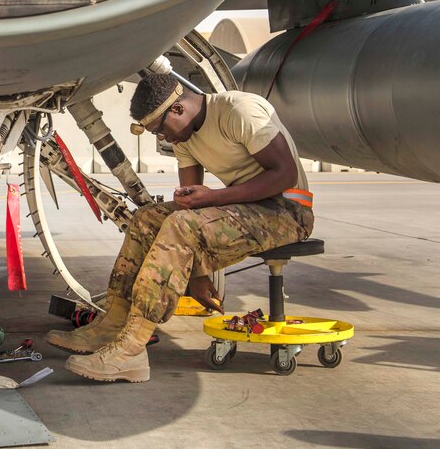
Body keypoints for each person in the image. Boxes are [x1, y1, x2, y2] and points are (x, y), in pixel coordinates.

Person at [48, 73, 315, 382]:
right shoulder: (184, 137)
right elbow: (192, 203)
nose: (162, 138)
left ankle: (131, 350)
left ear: (177, 109)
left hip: (287, 211)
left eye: (160, 129)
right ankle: (111, 328)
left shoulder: (239, 111)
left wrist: (216, 196)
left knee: (179, 225)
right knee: (146, 220)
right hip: (244, 207)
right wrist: (198, 275)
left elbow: (284, 174)